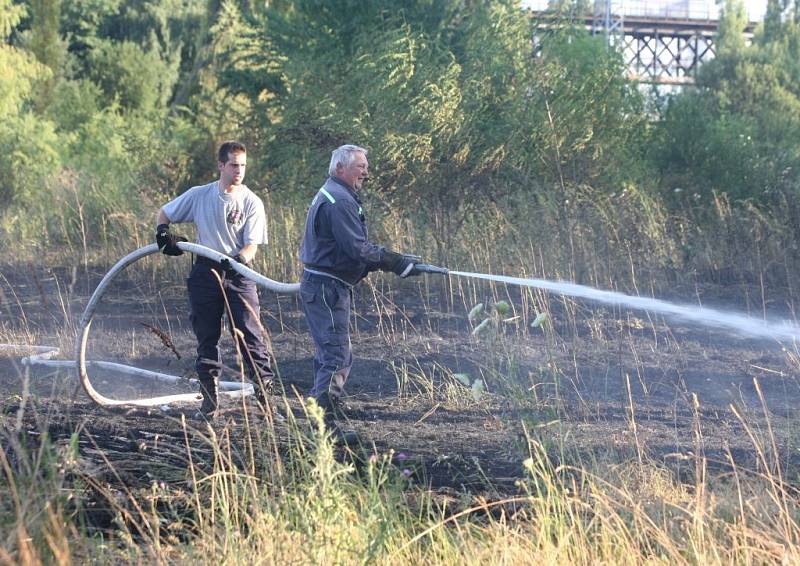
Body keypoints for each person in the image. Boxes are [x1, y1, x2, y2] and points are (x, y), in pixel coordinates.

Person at [299, 144, 422, 428]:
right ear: (340, 168)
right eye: (360, 166)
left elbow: (347, 249)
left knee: (333, 351)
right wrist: (392, 261)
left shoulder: (336, 193)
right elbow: (357, 249)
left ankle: (328, 409)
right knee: (335, 354)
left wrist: (393, 262)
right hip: (327, 287)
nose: (366, 172)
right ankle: (324, 425)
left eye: (366, 166)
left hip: (327, 285)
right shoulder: (339, 200)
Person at [155, 140, 274, 418]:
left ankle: (266, 402)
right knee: (206, 335)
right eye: (234, 165)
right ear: (221, 165)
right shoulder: (200, 195)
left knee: (250, 336)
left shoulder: (251, 202)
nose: (239, 170)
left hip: (238, 272)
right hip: (206, 270)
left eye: (243, 165)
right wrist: (163, 233)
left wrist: (240, 261)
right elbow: (165, 212)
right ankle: (209, 401)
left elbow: (252, 245)